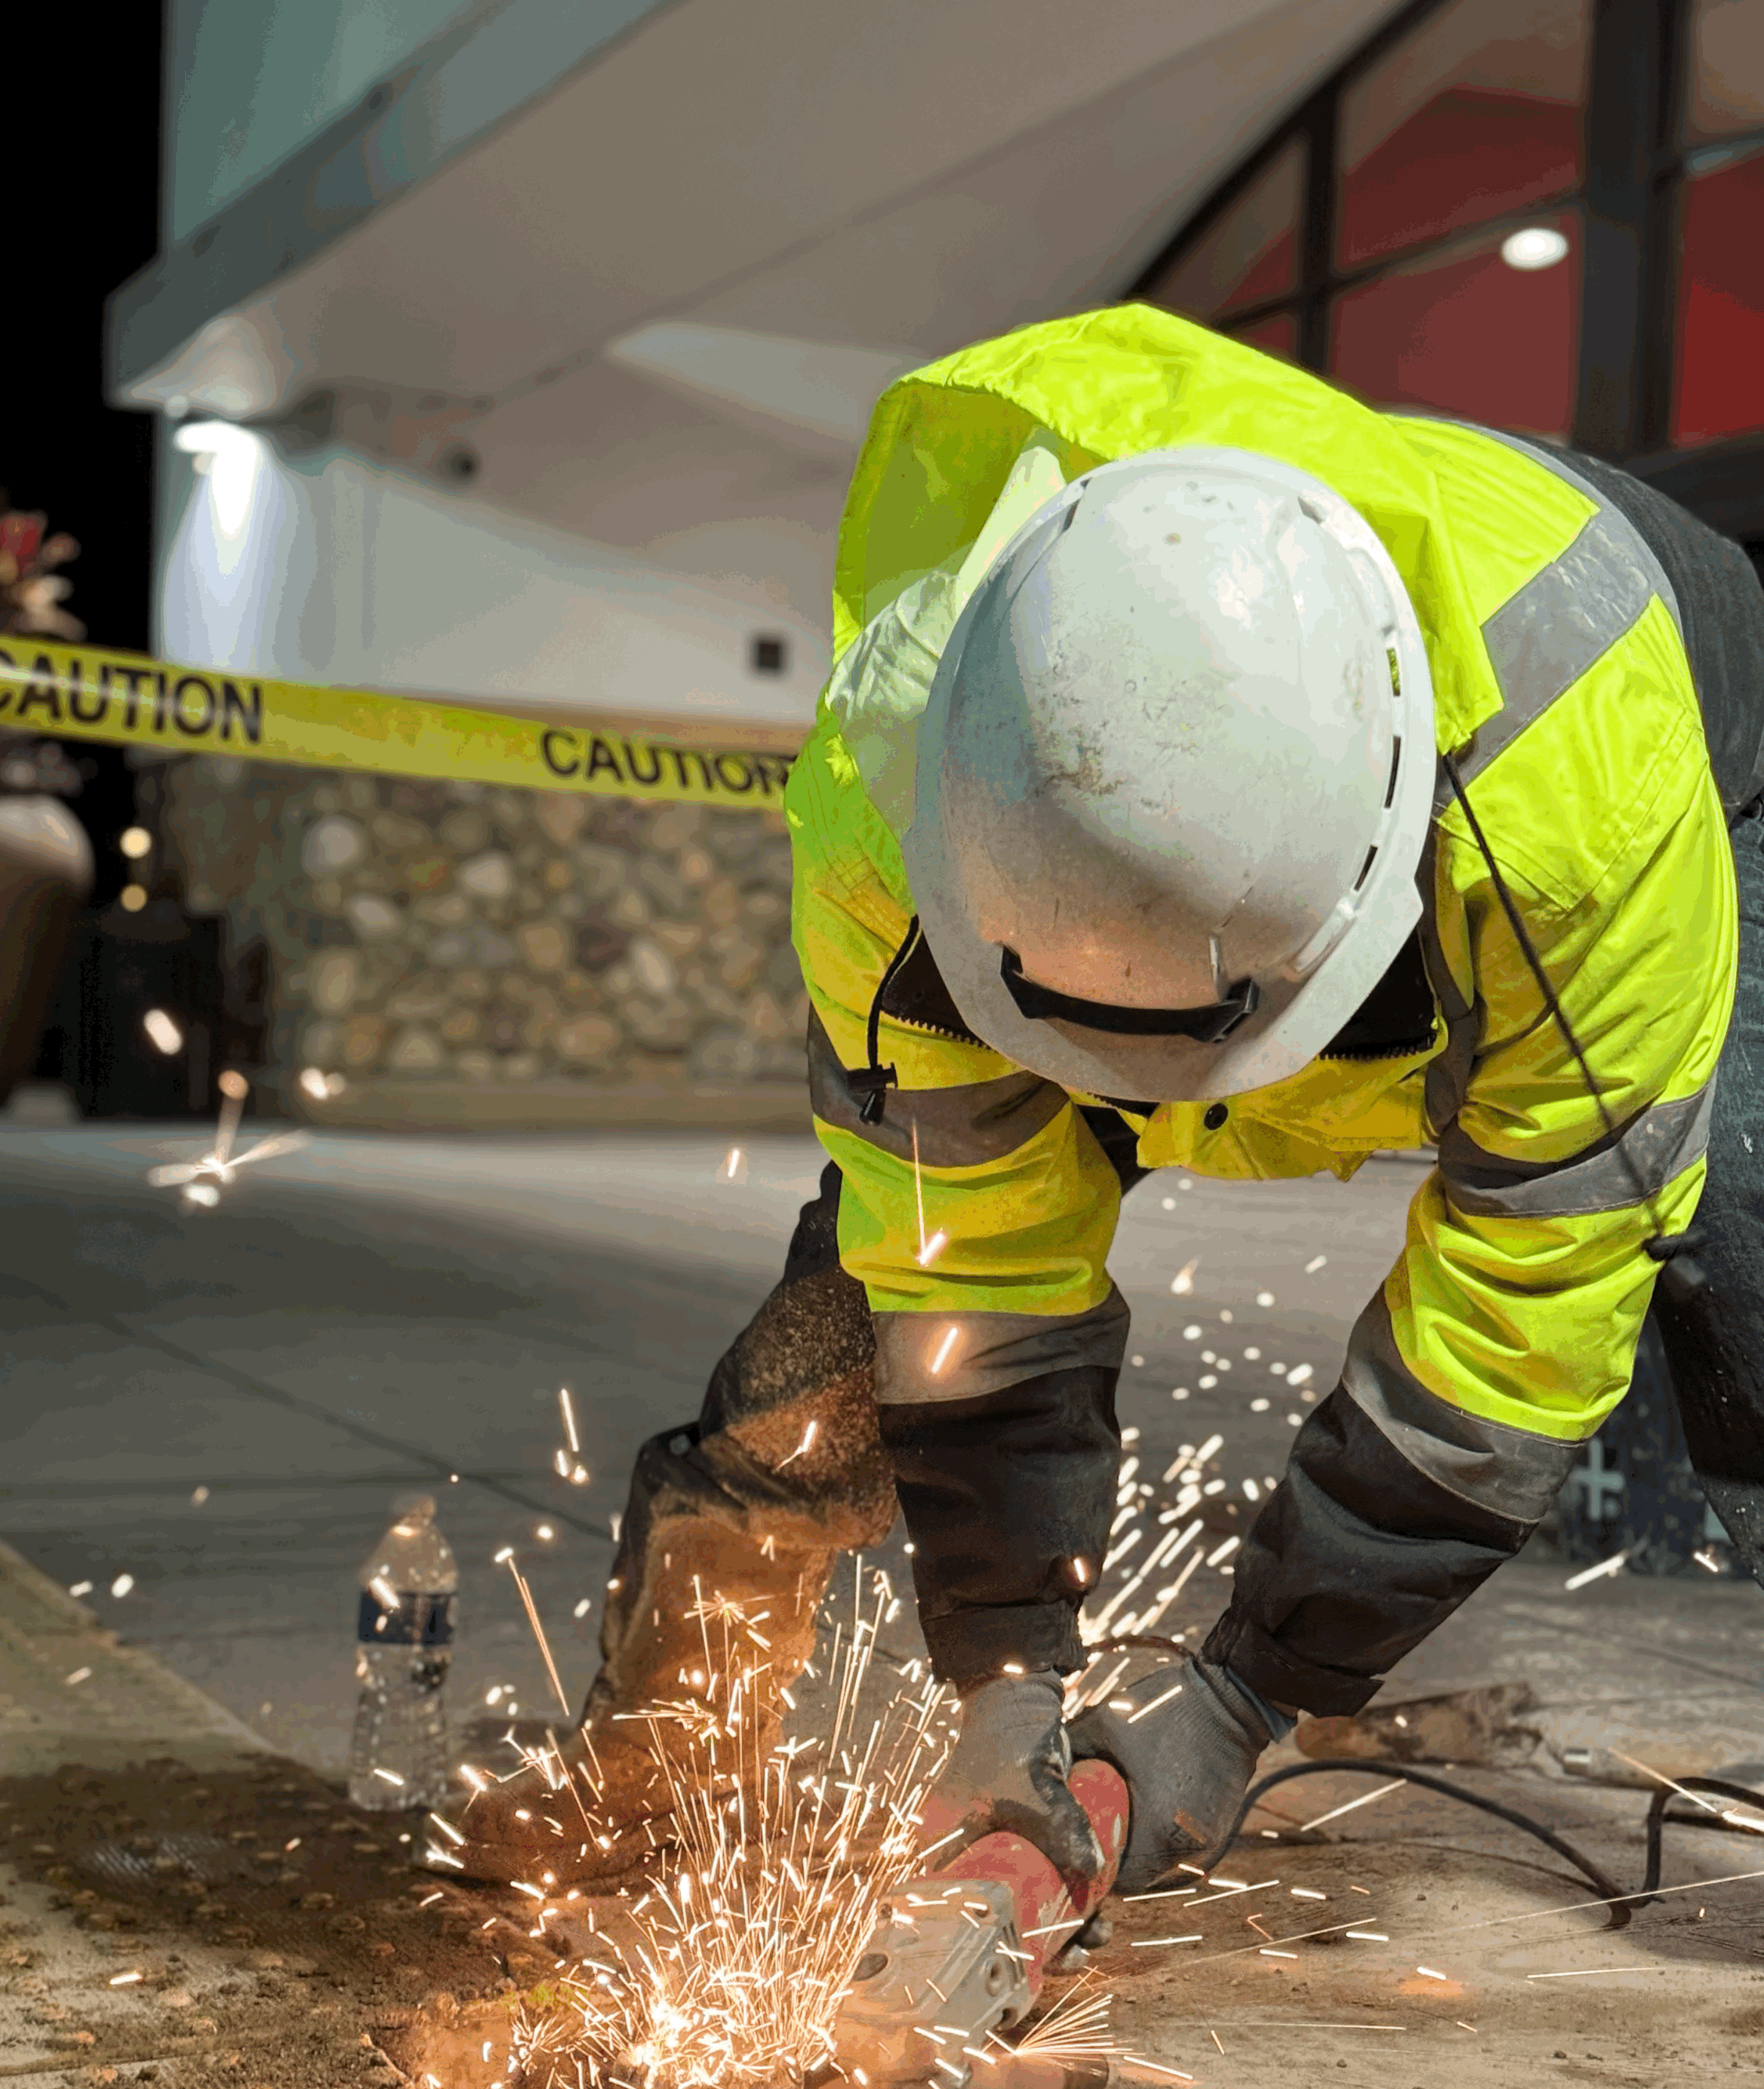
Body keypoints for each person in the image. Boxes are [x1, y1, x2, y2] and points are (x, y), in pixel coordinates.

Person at [457, 303, 1764, 1904]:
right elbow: (959, 1257)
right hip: (1175, 850)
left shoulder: (1574, 811)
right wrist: (1002, 1672)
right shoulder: (892, 784)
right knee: (838, 1348)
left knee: (1743, 1245)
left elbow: (1526, 1296)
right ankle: (649, 1771)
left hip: (1693, 742)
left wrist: (1242, 1693)